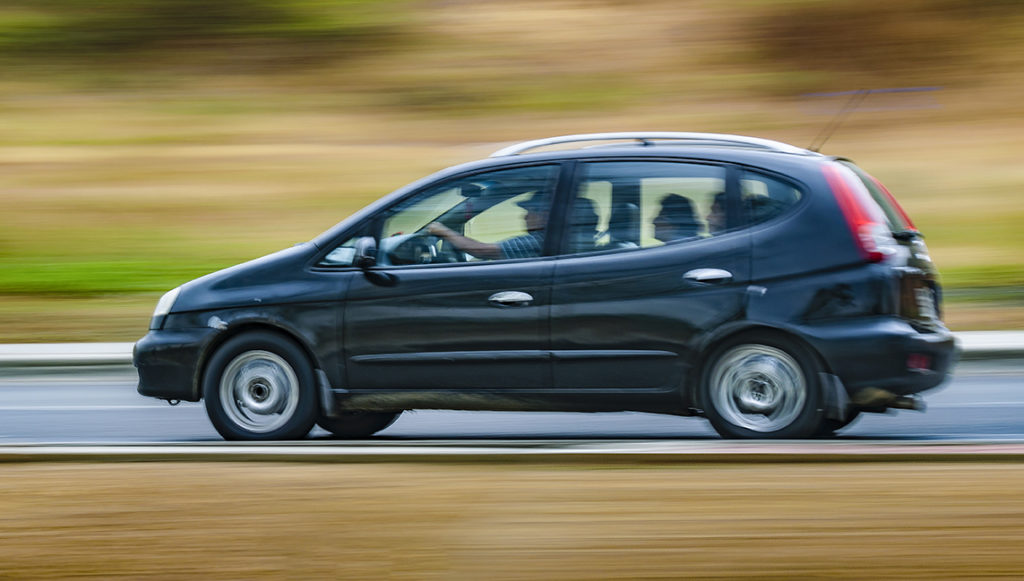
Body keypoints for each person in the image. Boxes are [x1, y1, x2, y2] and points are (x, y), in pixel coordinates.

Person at [427, 194, 548, 260]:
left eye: (531, 211)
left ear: (545, 214)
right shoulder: (549, 238)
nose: (524, 217)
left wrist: (444, 231)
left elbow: (483, 251)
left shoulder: (539, 240)